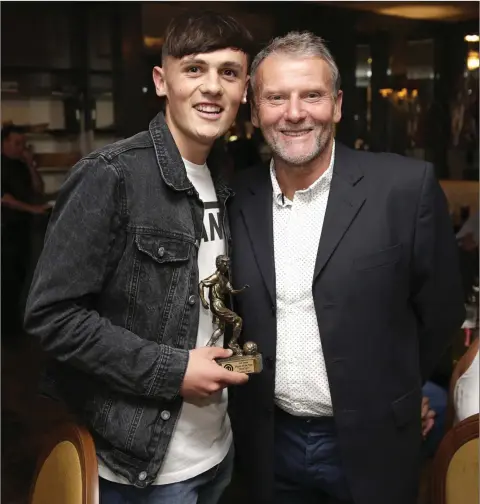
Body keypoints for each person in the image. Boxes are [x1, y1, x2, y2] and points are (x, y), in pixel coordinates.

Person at [24, 11, 253, 504]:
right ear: (160, 80)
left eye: (228, 72)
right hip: (142, 469)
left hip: (219, 448)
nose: (212, 86)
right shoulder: (110, 176)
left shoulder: (227, 176)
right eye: (194, 68)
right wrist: (173, 371)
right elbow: (51, 317)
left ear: (245, 90)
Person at [227, 32, 465, 504]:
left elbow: (440, 310)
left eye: (311, 95)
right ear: (255, 112)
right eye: (276, 98)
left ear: (336, 105)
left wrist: (394, 389)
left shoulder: (403, 187)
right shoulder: (233, 197)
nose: (294, 113)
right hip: (266, 443)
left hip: (373, 442)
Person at [1, 124, 49, 341]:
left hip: (24, 228)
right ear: (4, 143)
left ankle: (15, 328)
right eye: (16, 143)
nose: (21, 147)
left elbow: (38, 188)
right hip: (6, 229)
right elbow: (5, 199)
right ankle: (8, 333)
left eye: (23, 144)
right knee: (8, 280)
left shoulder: (21, 166)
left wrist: (30, 164)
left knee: (22, 277)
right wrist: (34, 209)